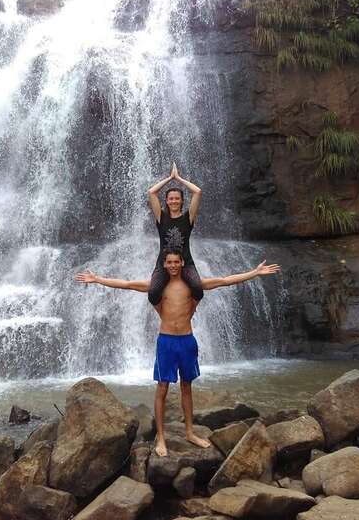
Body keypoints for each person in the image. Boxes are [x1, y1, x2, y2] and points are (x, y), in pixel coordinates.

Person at [75, 250, 281, 458]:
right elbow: (127, 284)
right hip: (166, 342)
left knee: (186, 386)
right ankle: (162, 438)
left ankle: (190, 432)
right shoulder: (158, 286)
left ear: (183, 263)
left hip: (187, 341)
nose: (173, 265)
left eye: (176, 261)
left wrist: (254, 273)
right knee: (162, 387)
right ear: (164, 265)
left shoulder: (193, 286)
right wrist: (97, 279)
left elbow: (225, 280)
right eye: (169, 262)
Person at [147, 163, 203, 306]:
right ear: (166, 201)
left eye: (177, 198)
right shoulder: (161, 217)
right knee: (153, 293)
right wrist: (169, 178)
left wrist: (178, 178)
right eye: (171, 198)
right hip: (164, 263)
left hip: (185, 262)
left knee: (197, 288)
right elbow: (152, 192)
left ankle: (190, 311)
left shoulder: (188, 218)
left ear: (182, 200)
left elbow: (197, 192)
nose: (174, 201)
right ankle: (162, 313)